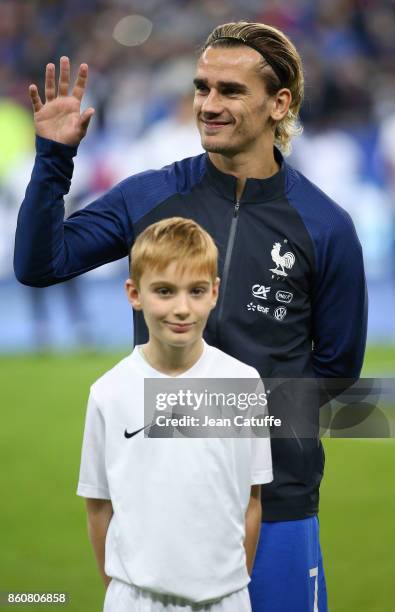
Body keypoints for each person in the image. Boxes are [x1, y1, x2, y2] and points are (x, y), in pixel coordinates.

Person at [14, 21, 368, 612]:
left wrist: (197, 413)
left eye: (230, 91)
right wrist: (53, 160)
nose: (208, 103)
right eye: (202, 87)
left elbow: (339, 378)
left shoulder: (325, 226)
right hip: (159, 498)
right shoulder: (150, 196)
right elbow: (39, 265)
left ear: (279, 103)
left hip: (278, 499)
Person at [77, 217, 273, 611]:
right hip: (136, 599)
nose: (182, 308)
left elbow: (252, 499)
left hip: (227, 599)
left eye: (196, 291)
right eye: (164, 291)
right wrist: (122, 591)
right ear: (134, 293)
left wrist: (232, 584)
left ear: (214, 292)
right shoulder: (109, 393)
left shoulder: (242, 382)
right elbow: (99, 507)